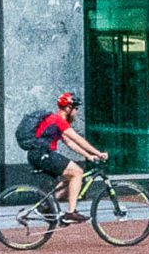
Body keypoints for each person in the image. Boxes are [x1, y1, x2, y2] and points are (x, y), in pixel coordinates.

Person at [24, 90, 105, 218]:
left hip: (38, 154)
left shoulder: (55, 120)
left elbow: (70, 143)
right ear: (68, 108)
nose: (77, 112)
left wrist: (89, 156)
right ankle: (71, 213)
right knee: (77, 172)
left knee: (72, 178)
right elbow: (77, 139)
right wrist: (98, 153)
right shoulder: (58, 120)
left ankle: (45, 205)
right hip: (42, 154)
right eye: (76, 108)